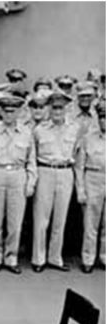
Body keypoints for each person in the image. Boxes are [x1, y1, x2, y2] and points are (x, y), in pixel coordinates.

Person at [0, 94, 37, 274]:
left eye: (13, 111)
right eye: (6, 111)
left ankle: (11, 257)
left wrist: (31, 182)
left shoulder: (26, 132)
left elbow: (32, 160)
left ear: (18, 112)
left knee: (15, 222)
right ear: (0, 111)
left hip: (18, 173)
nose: (9, 115)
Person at [31, 91, 81, 272]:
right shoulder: (39, 130)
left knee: (60, 218)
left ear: (66, 108)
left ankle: (55, 257)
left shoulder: (74, 129)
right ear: (48, 109)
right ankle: (38, 259)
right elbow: (33, 155)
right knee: (41, 218)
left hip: (65, 171)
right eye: (54, 107)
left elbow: (77, 153)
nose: (57, 111)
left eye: (61, 107)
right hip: (45, 170)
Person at [75, 99, 105, 273]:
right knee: (90, 223)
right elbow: (79, 166)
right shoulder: (88, 139)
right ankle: (88, 258)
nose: (104, 121)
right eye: (102, 117)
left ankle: (104, 257)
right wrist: (81, 189)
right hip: (92, 178)